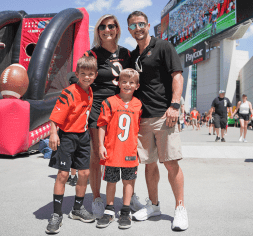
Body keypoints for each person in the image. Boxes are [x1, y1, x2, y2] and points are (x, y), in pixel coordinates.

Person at [128, 11, 188, 231]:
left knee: (171, 163)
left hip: (165, 115)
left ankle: (180, 208)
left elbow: (177, 76)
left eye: (141, 24)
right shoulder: (133, 56)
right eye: (133, 26)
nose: (138, 28)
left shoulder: (163, 46)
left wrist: (174, 105)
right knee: (149, 163)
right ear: (129, 30)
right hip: (142, 119)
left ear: (148, 25)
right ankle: (153, 205)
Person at [84, 14, 144, 219]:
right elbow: (78, 77)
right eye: (102, 26)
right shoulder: (91, 54)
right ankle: (97, 197)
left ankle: (131, 194)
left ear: (117, 29)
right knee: (97, 155)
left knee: (128, 152)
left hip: (124, 109)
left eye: (111, 26)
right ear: (98, 30)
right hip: (99, 109)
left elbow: (137, 78)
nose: (107, 29)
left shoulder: (127, 54)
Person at [46, 56, 97, 234]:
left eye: (90, 74)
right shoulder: (69, 92)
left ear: (95, 75)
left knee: (84, 173)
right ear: (77, 74)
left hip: (83, 136)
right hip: (67, 136)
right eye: (83, 73)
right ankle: (56, 215)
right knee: (63, 174)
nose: (87, 77)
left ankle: (77, 209)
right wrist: (53, 133)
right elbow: (54, 117)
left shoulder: (90, 92)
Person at [96, 69, 142, 229]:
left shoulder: (139, 104)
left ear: (137, 85)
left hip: (130, 151)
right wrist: (101, 145)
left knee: (128, 181)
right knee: (111, 181)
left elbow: (139, 129)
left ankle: (125, 210)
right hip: (112, 150)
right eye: (124, 81)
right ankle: (109, 210)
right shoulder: (109, 102)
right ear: (118, 83)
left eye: (131, 82)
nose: (127, 85)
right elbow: (102, 124)